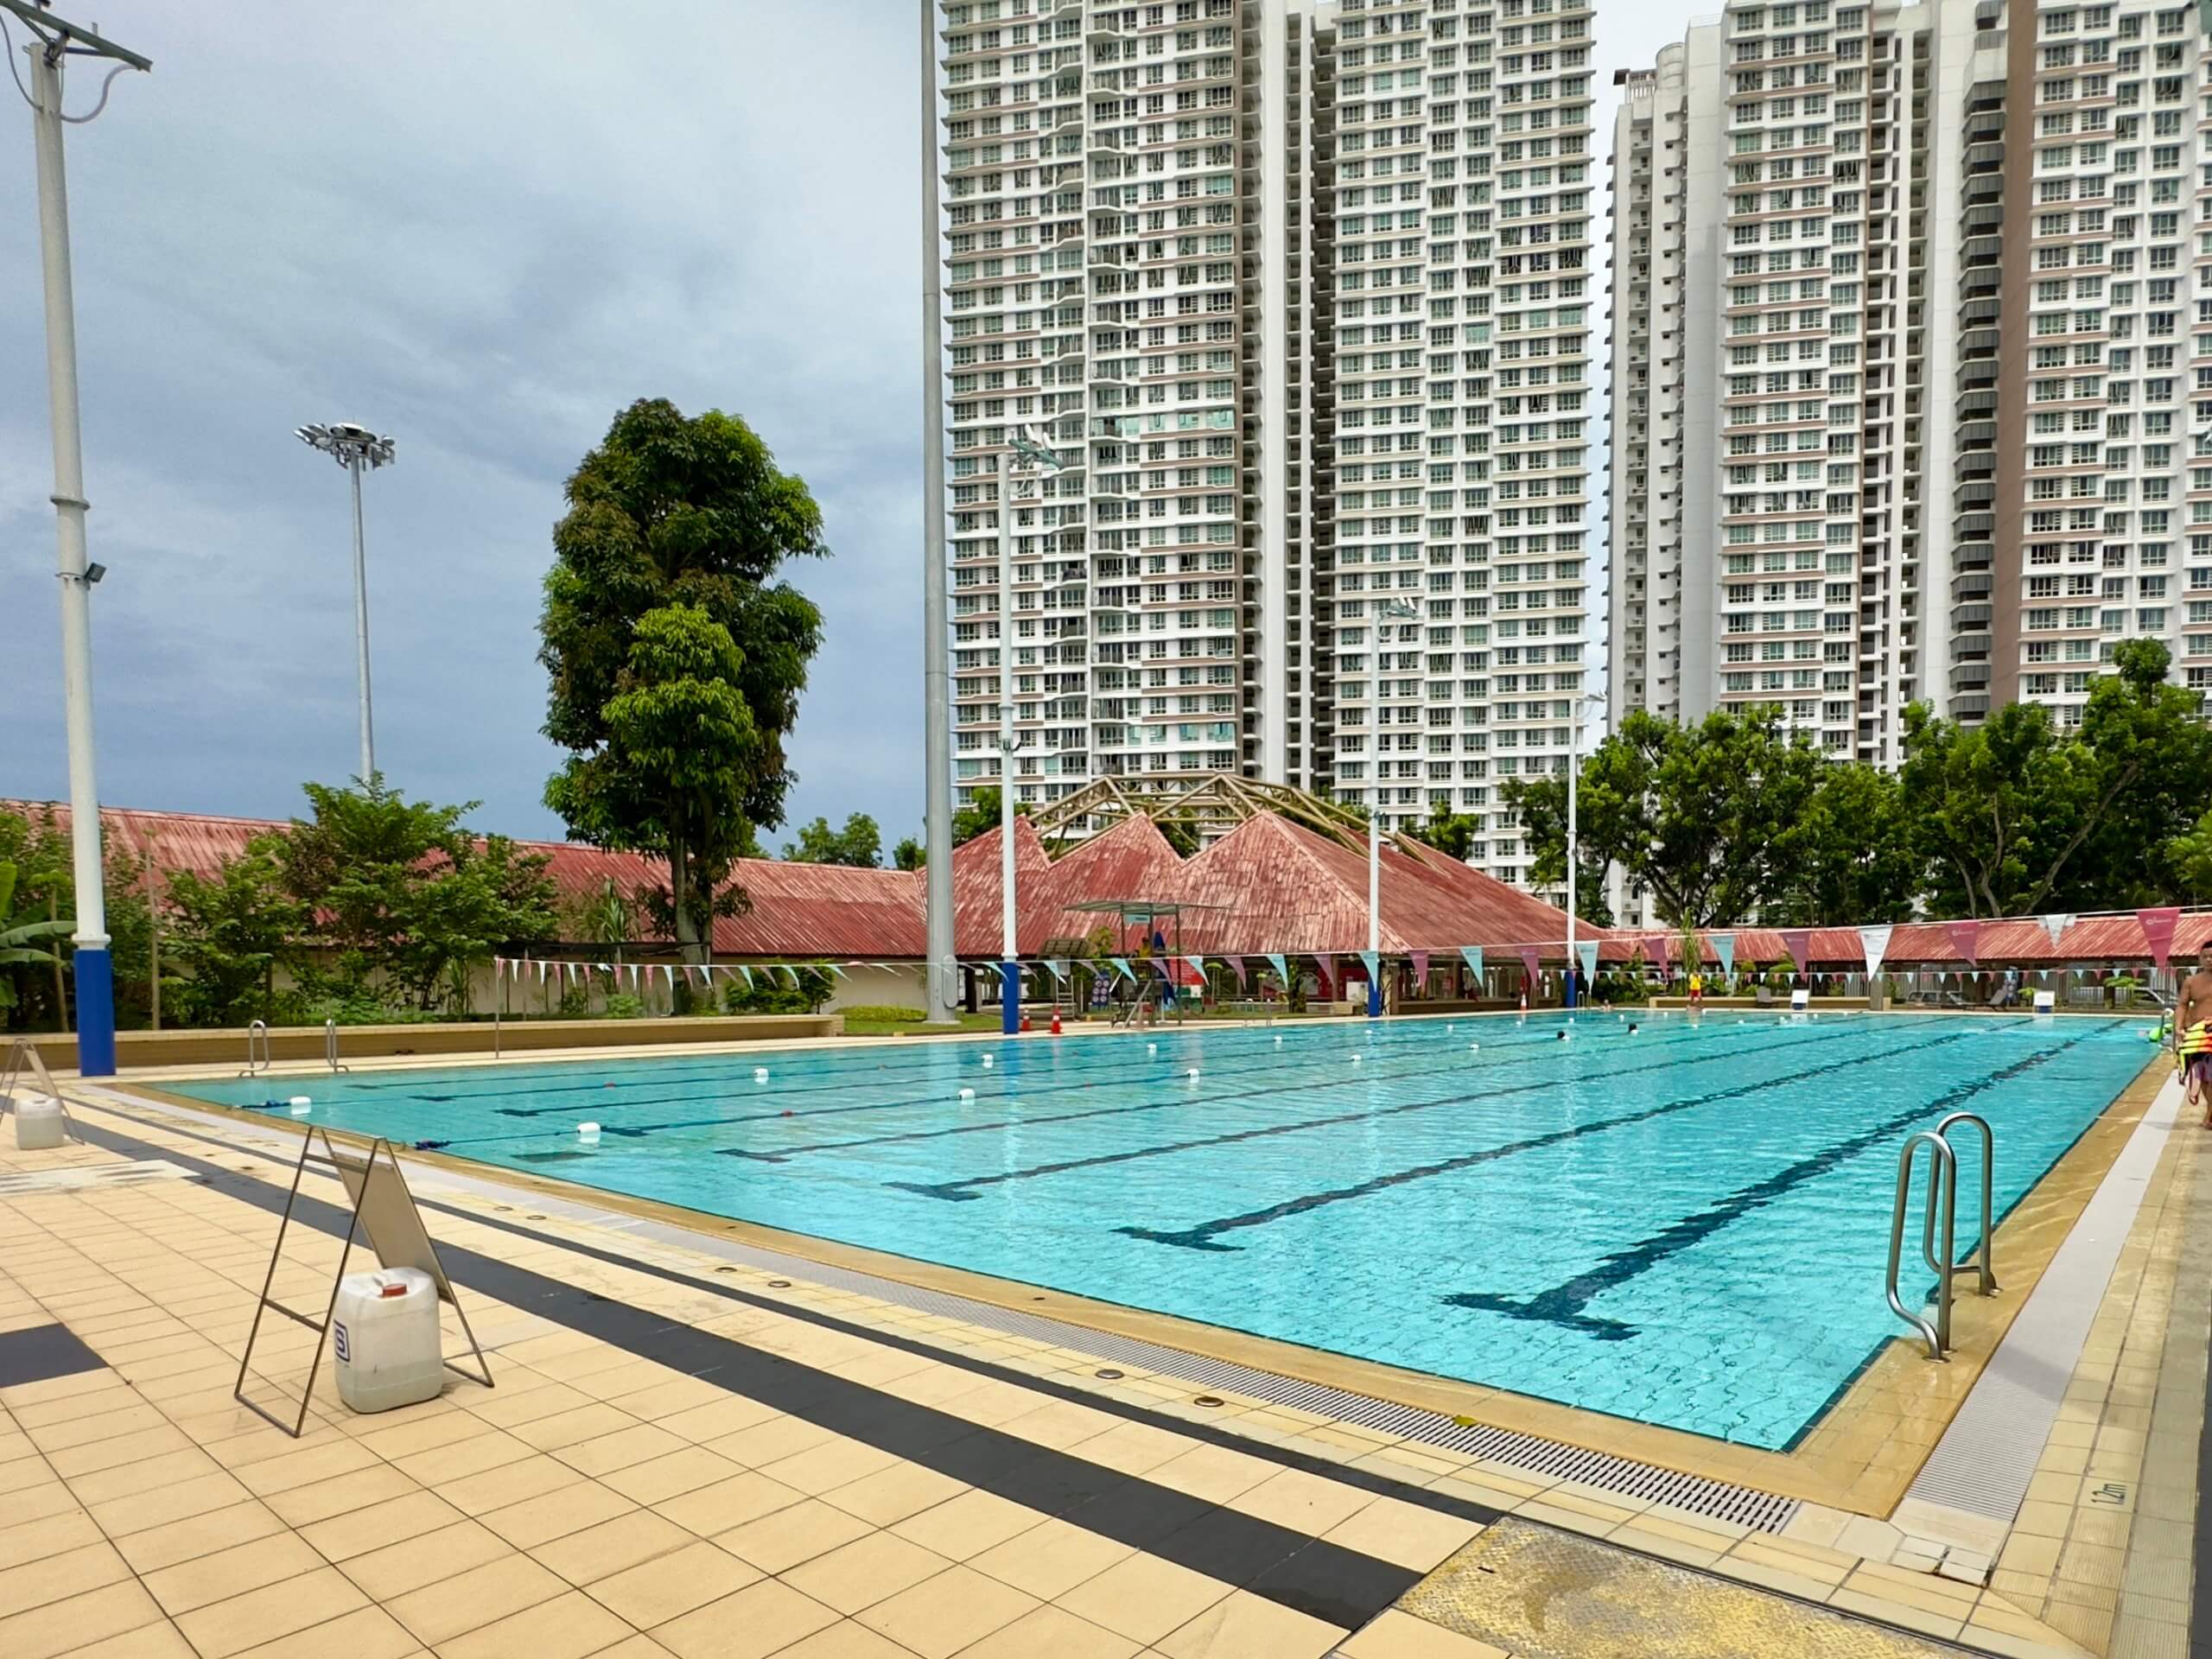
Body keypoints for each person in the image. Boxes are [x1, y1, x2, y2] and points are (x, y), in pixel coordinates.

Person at [2179, 945, 2212, 1124]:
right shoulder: (2191, 981)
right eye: (2205, 957)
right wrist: (2178, 1027)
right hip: (2198, 1033)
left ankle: (2210, 1114)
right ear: (2200, 959)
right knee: (2203, 1076)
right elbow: (2182, 1005)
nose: (2209, 960)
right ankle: (2210, 1110)